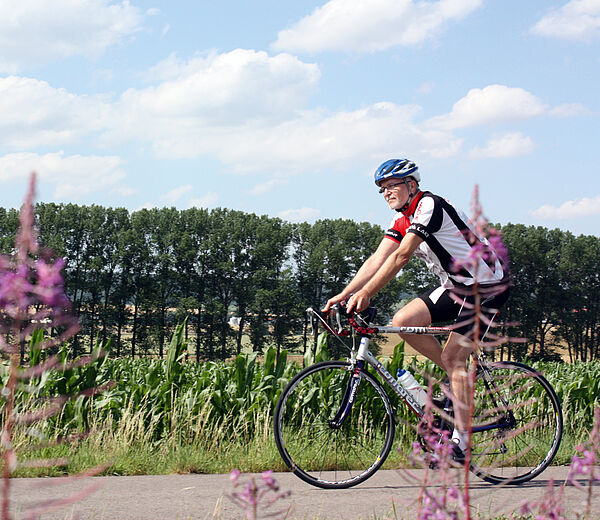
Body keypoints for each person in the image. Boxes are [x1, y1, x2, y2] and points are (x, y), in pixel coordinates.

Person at [322, 158, 509, 460]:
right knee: (404, 320)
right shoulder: (402, 219)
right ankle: (456, 379)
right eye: (382, 189)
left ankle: (461, 442)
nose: (387, 193)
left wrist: (368, 293)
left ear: (411, 184)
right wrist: (345, 294)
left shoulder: (429, 206)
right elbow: (377, 259)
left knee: (453, 356)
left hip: (487, 284)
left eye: (392, 185)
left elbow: (402, 256)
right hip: (457, 286)